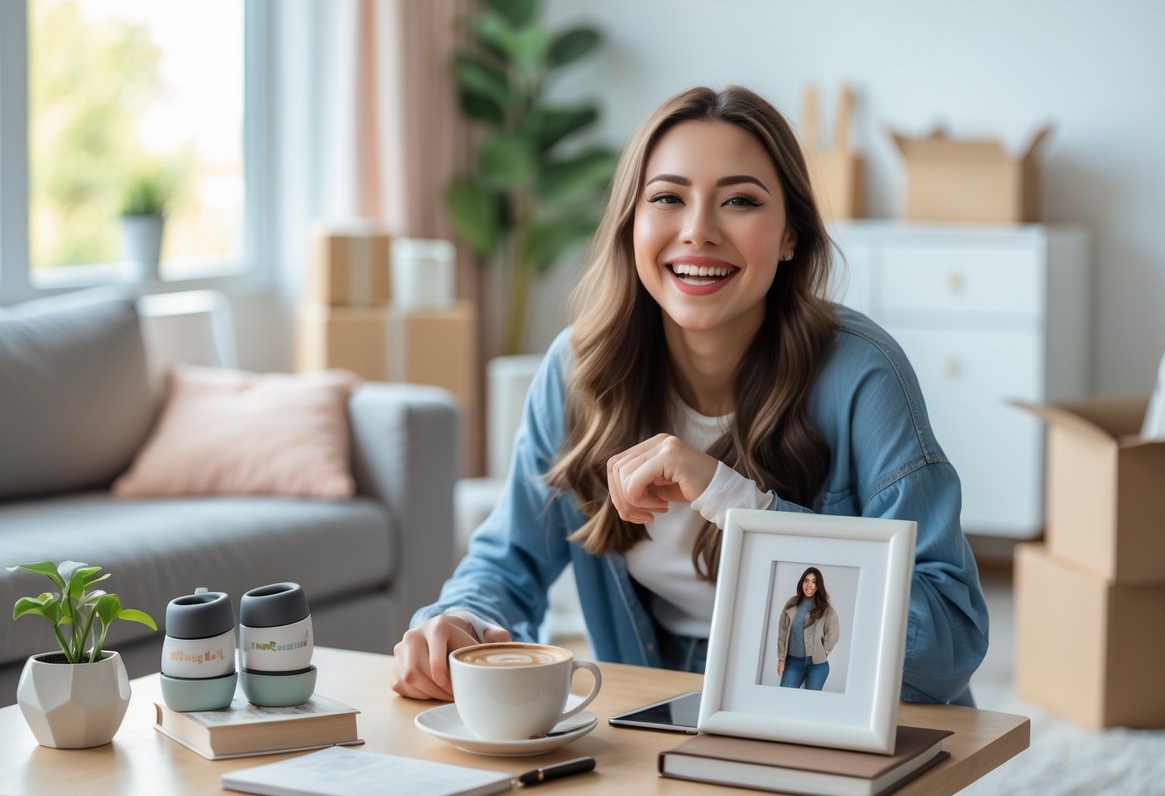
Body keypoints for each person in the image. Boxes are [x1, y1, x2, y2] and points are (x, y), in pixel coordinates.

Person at [391, 85, 988, 706]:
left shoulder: (865, 374)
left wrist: (733, 502)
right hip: (658, 701)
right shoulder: (579, 371)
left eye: (739, 201)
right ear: (632, 224)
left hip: (830, 710)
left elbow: (948, 645)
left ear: (790, 235)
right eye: (669, 198)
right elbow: (510, 561)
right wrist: (457, 620)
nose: (698, 231)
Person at [776, 567, 839, 691]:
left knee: (810, 704)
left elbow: (833, 635)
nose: (809, 585)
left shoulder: (826, 609)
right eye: (806, 580)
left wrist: (822, 652)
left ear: (818, 586)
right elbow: (782, 633)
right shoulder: (791, 603)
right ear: (802, 583)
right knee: (784, 699)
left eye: (814, 582)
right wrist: (781, 659)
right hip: (792, 662)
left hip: (817, 666)